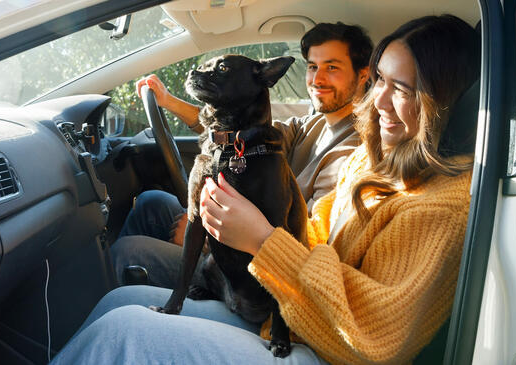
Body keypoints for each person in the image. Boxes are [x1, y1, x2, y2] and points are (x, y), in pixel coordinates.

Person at [50, 14, 480, 365]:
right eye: (381, 82)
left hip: (323, 346)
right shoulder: (371, 157)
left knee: (120, 334)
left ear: (445, 102)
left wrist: (259, 239)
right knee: (122, 301)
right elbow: (310, 226)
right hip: (290, 305)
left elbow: (376, 339)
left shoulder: (441, 208)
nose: (379, 101)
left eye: (401, 88)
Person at [112, 22, 373, 286]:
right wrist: (168, 101)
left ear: (363, 75)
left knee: (129, 253)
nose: (317, 79)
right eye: (313, 67)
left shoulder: (356, 152)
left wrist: (208, 238)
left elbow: (312, 239)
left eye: (332, 67)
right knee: (150, 203)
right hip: (231, 231)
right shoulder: (311, 123)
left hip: (255, 270)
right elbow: (231, 133)